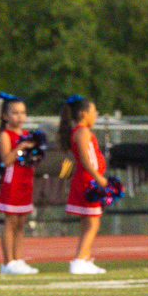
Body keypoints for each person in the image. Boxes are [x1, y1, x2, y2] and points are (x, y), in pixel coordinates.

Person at [61, 93, 108, 275]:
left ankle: (85, 259)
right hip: (87, 181)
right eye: (93, 111)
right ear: (83, 113)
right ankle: (79, 260)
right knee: (93, 224)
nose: (95, 115)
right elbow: (85, 159)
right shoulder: (81, 132)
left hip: (88, 179)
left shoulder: (83, 131)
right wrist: (98, 178)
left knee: (87, 223)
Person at [0, 93, 39, 274]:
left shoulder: (27, 135)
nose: (20, 117)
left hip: (26, 180)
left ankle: (18, 259)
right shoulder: (6, 135)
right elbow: (6, 160)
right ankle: (8, 261)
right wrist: (21, 147)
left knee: (21, 222)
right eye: (15, 113)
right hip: (12, 180)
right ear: (5, 116)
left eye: (23, 113)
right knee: (11, 221)